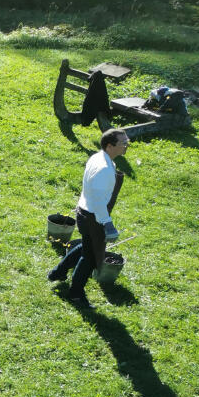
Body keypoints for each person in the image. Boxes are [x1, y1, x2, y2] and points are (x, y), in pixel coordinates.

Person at [48, 128, 130, 308]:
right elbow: (99, 201)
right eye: (123, 143)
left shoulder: (98, 157)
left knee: (87, 246)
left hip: (84, 211)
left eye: (127, 142)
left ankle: (57, 273)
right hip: (93, 216)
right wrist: (108, 224)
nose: (126, 146)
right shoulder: (104, 169)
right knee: (91, 257)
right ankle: (76, 293)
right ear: (109, 146)